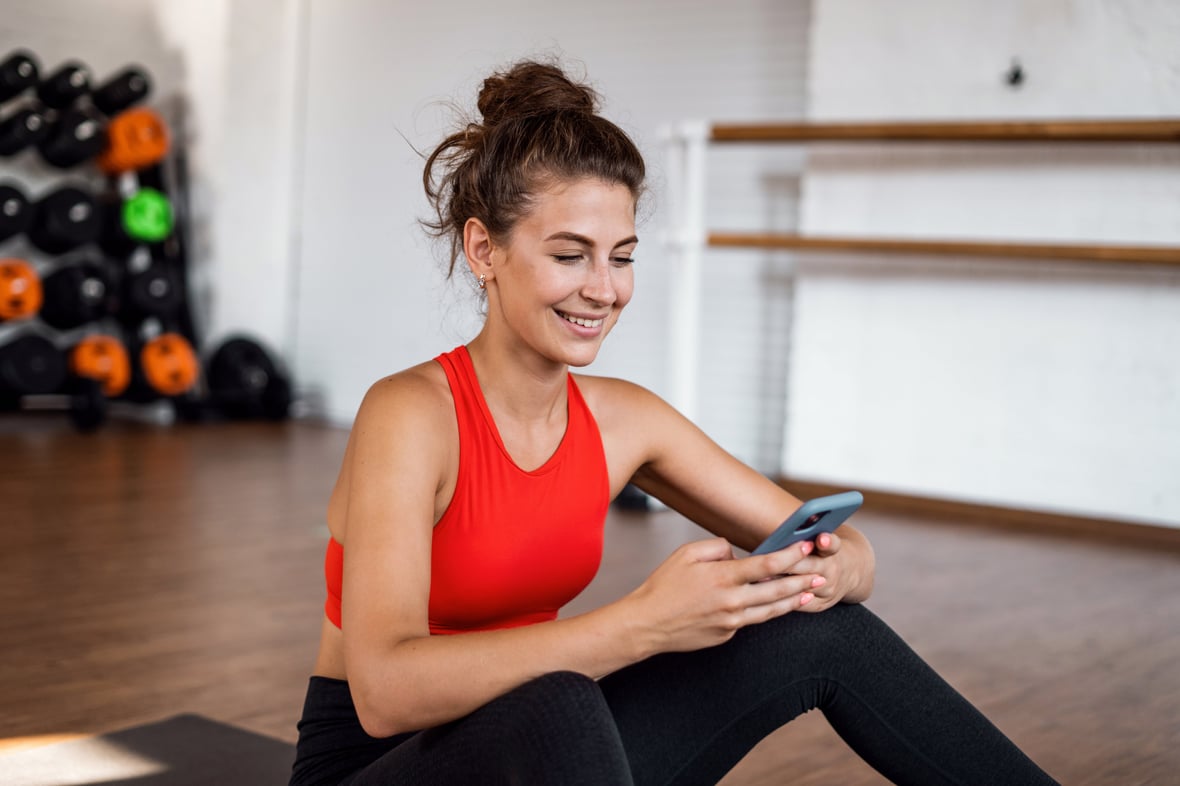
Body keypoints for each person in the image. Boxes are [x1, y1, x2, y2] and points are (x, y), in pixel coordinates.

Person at [289, 59, 1058, 786]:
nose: (603, 289)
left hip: (550, 756)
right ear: (484, 248)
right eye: (570, 255)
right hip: (377, 765)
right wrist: (643, 626)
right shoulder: (411, 414)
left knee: (820, 631)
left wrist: (832, 568)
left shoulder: (625, 421)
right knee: (560, 700)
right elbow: (383, 690)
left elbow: (843, 545)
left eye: (621, 257)